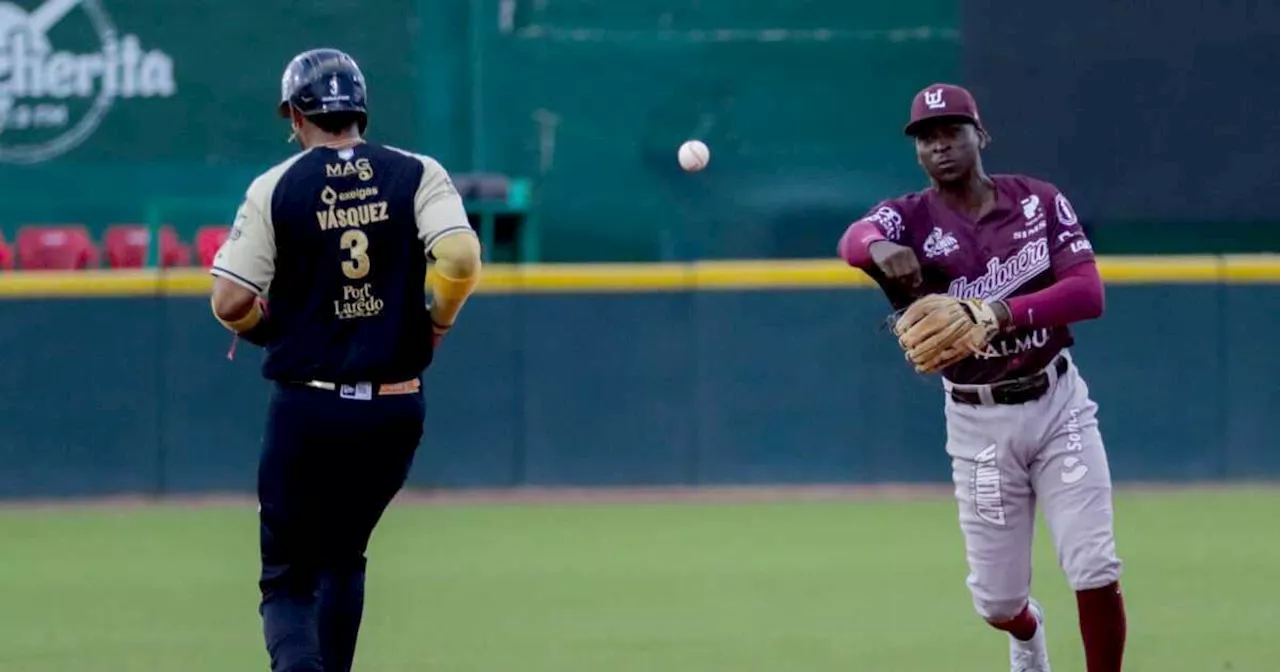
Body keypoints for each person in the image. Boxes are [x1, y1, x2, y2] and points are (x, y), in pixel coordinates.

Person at [208, 47, 482, 671]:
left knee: (286, 578)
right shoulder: (417, 172)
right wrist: (436, 322)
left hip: (308, 405)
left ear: (297, 117)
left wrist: (266, 331)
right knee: (342, 556)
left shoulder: (276, 186)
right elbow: (460, 259)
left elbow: (229, 300)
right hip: (393, 408)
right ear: (360, 111)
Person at [837, 83, 1127, 672]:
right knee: (997, 600)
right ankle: (1027, 635)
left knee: (1094, 564)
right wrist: (879, 246)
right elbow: (851, 241)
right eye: (926, 139)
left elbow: (1088, 293)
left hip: (1057, 405)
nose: (939, 147)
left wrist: (997, 311)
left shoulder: (1038, 201)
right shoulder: (910, 216)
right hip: (978, 423)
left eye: (951, 133)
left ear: (981, 135)